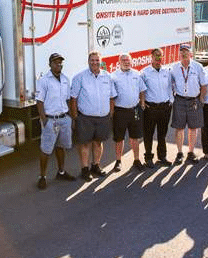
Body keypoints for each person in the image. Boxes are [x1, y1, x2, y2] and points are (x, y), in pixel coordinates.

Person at [70, 51, 117, 181]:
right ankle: (85, 169)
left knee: (98, 142)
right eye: (92, 60)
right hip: (85, 118)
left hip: (103, 117)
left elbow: (112, 97)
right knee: (85, 144)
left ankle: (95, 166)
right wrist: (75, 117)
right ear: (88, 61)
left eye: (97, 60)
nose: (94, 62)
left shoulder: (107, 77)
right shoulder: (79, 77)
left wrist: (110, 113)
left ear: (100, 62)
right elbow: (73, 98)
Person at [35, 53, 76, 190]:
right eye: (55, 62)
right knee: (46, 150)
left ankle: (61, 172)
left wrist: (71, 116)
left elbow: (68, 99)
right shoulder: (44, 80)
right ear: (50, 64)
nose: (58, 65)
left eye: (60, 62)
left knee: (61, 147)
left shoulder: (65, 79)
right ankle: (42, 177)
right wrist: (44, 120)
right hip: (50, 120)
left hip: (64, 118)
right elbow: (39, 102)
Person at [170, 44, 207, 165]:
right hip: (179, 100)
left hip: (194, 101)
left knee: (193, 128)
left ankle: (191, 152)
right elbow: (170, 84)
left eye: (186, 51)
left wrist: (201, 98)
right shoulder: (174, 68)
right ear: (179, 54)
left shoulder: (198, 66)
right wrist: (172, 99)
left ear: (190, 53)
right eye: (182, 52)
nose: (184, 54)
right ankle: (180, 153)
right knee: (179, 128)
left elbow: (204, 84)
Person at [111, 53, 147, 172]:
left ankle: (136, 160)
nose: (126, 62)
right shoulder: (114, 76)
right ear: (119, 62)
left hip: (135, 110)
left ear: (131, 61)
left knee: (135, 137)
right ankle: (118, 161)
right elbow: (111, 96)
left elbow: (142, 90)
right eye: (124, 60)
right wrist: (111, 112)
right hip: (120, 111)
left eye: (128, 60)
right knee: (119, 138)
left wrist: (142, 104)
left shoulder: (137, 74)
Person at [141, 48, 174, 168]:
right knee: (148, 134)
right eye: (156, 56)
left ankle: (162, 157)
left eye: (160, 56)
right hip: (151, 108)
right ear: (151, 57)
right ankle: (148, 158)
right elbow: (141, 90)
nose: (158, 58)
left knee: (162, 134)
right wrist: (143, 103)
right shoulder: (145, 72)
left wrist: (171, 101)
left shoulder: (167, 71)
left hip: (165, 107)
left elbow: (170, 87)